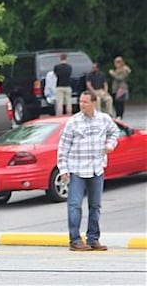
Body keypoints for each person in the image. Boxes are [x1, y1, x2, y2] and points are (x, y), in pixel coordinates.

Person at [57, 91, 118, 251]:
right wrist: (63, 169)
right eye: (81, 102)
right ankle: (75, 240)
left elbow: (114, 131)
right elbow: (63, 147)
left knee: (95, 205)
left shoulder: (104, 119)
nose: (82, 105)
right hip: (77, 170)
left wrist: (110, 145)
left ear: (94, 103)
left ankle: (93, 239)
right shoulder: (73, 122)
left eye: (85, 102)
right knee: (75, 205)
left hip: (97, 169)